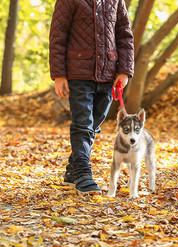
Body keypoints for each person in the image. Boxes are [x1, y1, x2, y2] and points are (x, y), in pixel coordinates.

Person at [49, 0, 134, 193]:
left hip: (108, 73)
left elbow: (124, 35)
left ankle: (72, 170)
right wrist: (59, 74)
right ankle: (83, 174)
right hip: (78, 73)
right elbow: (57, 36)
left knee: (94, 125)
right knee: (83, 124)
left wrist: (125, 71)